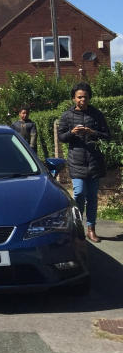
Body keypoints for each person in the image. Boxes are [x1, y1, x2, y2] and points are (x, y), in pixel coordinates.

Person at [57, 82, 110, 243]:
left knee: (92, 197)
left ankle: (91, 229)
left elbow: (107, 135)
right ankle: (77, 226)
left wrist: (92, 132)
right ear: (74, 98)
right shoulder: (67, 116)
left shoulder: (96, 114)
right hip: (76, 160)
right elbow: (61, 137)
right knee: (79, 193)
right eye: (79, 97)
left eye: (85, 97)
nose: (82, 100)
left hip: (94, 160)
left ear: (89, 98)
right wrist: (72, 132)